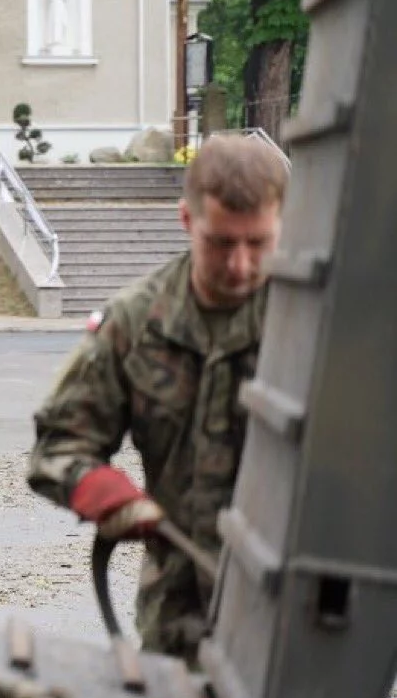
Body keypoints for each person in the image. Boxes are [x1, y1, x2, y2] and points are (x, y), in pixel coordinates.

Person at [27, 133, 286, 661]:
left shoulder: (319, 324)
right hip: (181, 619)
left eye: (258, 243)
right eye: (220, 243)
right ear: (188, 222)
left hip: (303, 623)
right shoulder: (135, 321)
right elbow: (58, 447)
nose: (239, 265)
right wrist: (105, 495)